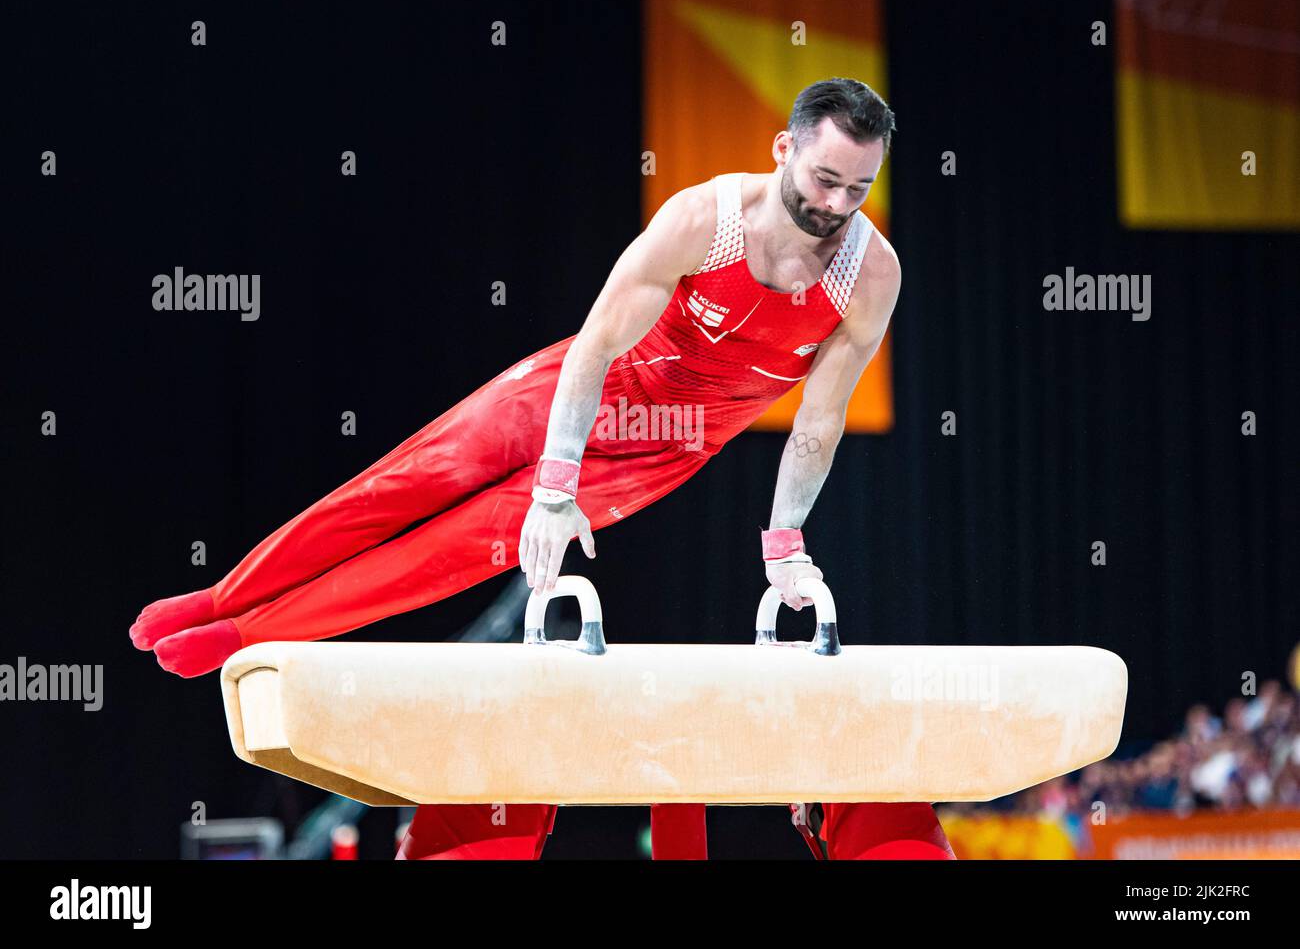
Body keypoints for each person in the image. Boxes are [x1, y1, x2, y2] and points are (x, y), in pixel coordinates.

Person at [130, 78, 955, 861]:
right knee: (391, 492)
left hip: (655, 453)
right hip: (563, 398)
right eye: (825, 179)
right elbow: (596, 347)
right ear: (783, 149)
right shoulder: (704, 222)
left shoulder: (869, 277)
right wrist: (552, 489)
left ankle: (241, 634)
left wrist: (785, 543)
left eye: (859, 188)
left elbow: (818, 419)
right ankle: (219, 595)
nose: (837, 206)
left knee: (433, 562)